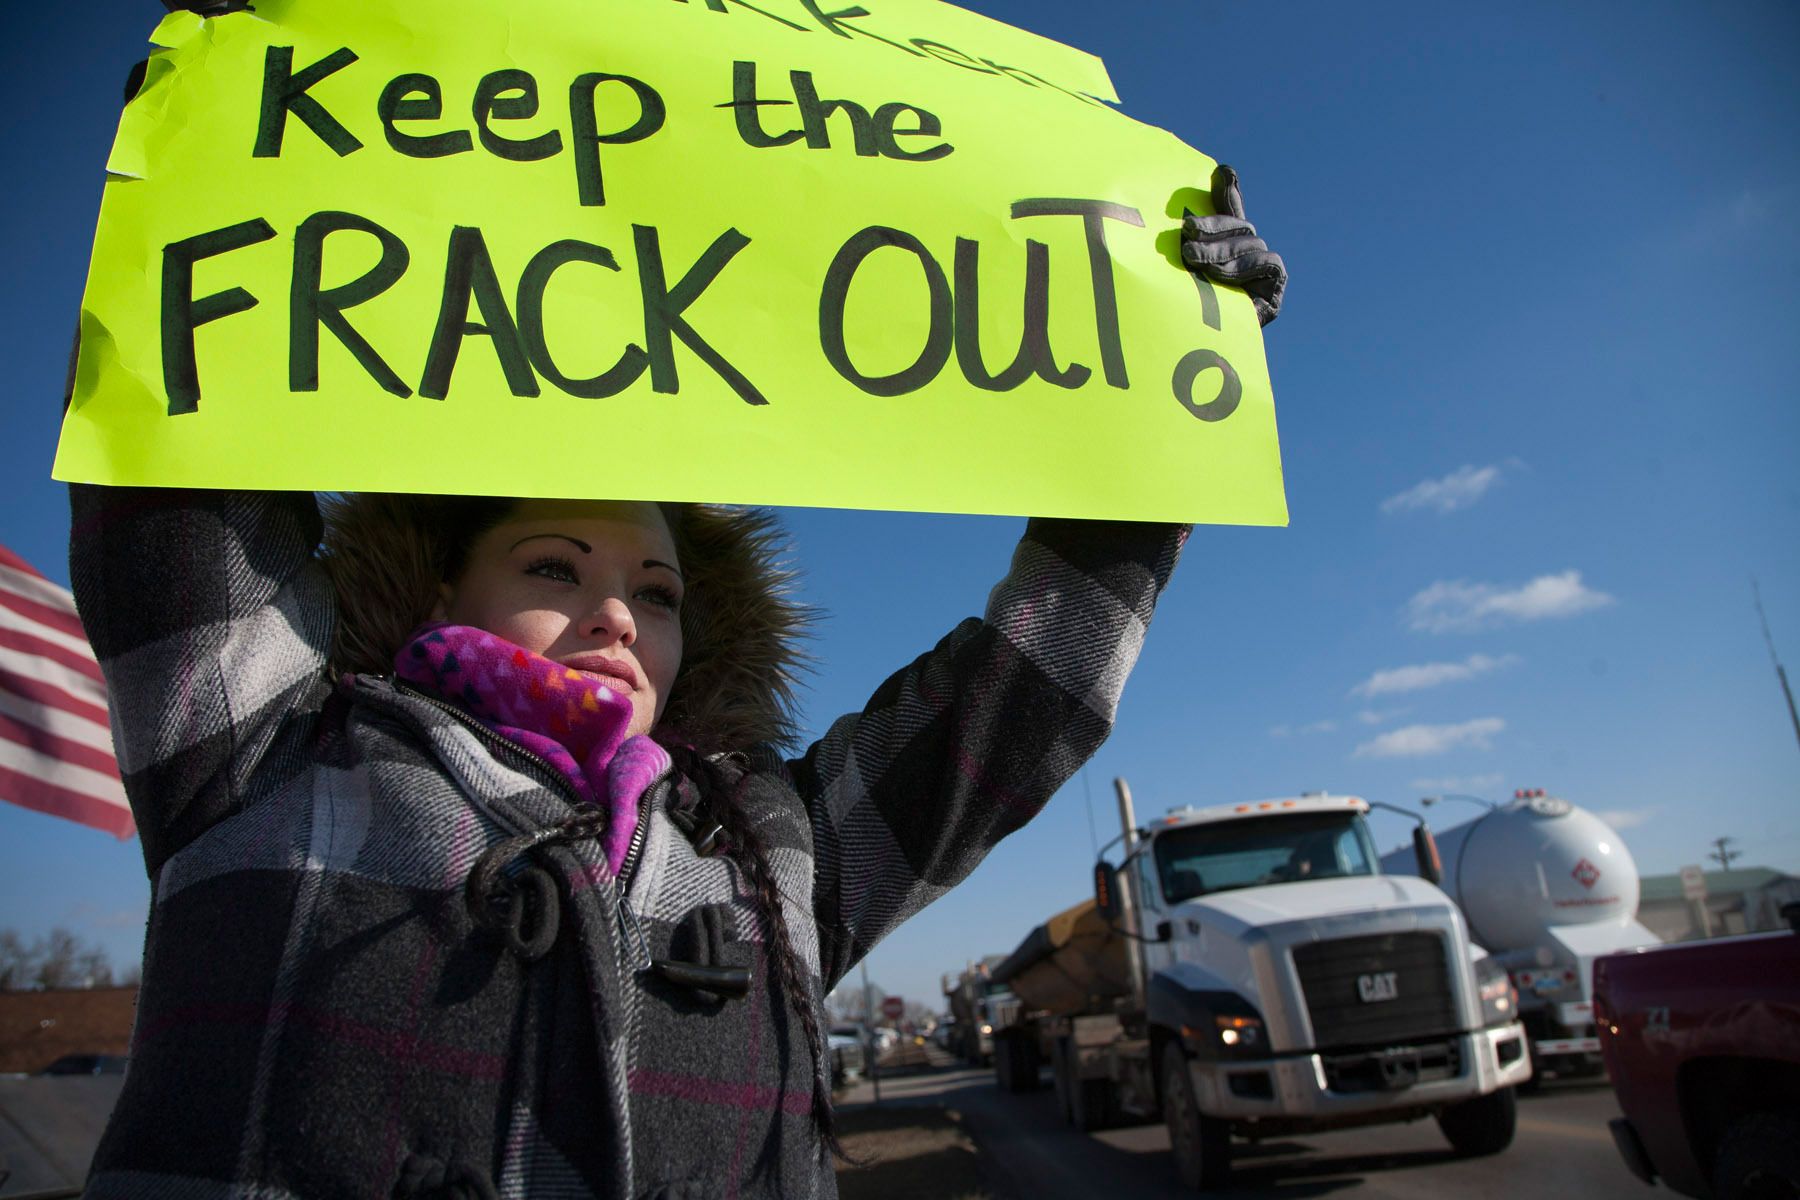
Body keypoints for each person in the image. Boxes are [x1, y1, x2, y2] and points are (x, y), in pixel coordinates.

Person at [71, 14, 1286, 1196]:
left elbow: (1027, 693)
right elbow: (180, 468)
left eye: (657, 592)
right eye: (555, 568)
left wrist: (1162, 403)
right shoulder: (268, 753)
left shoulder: (774, 848)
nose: (618, 618)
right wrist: (217, 163)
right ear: (441, 585)